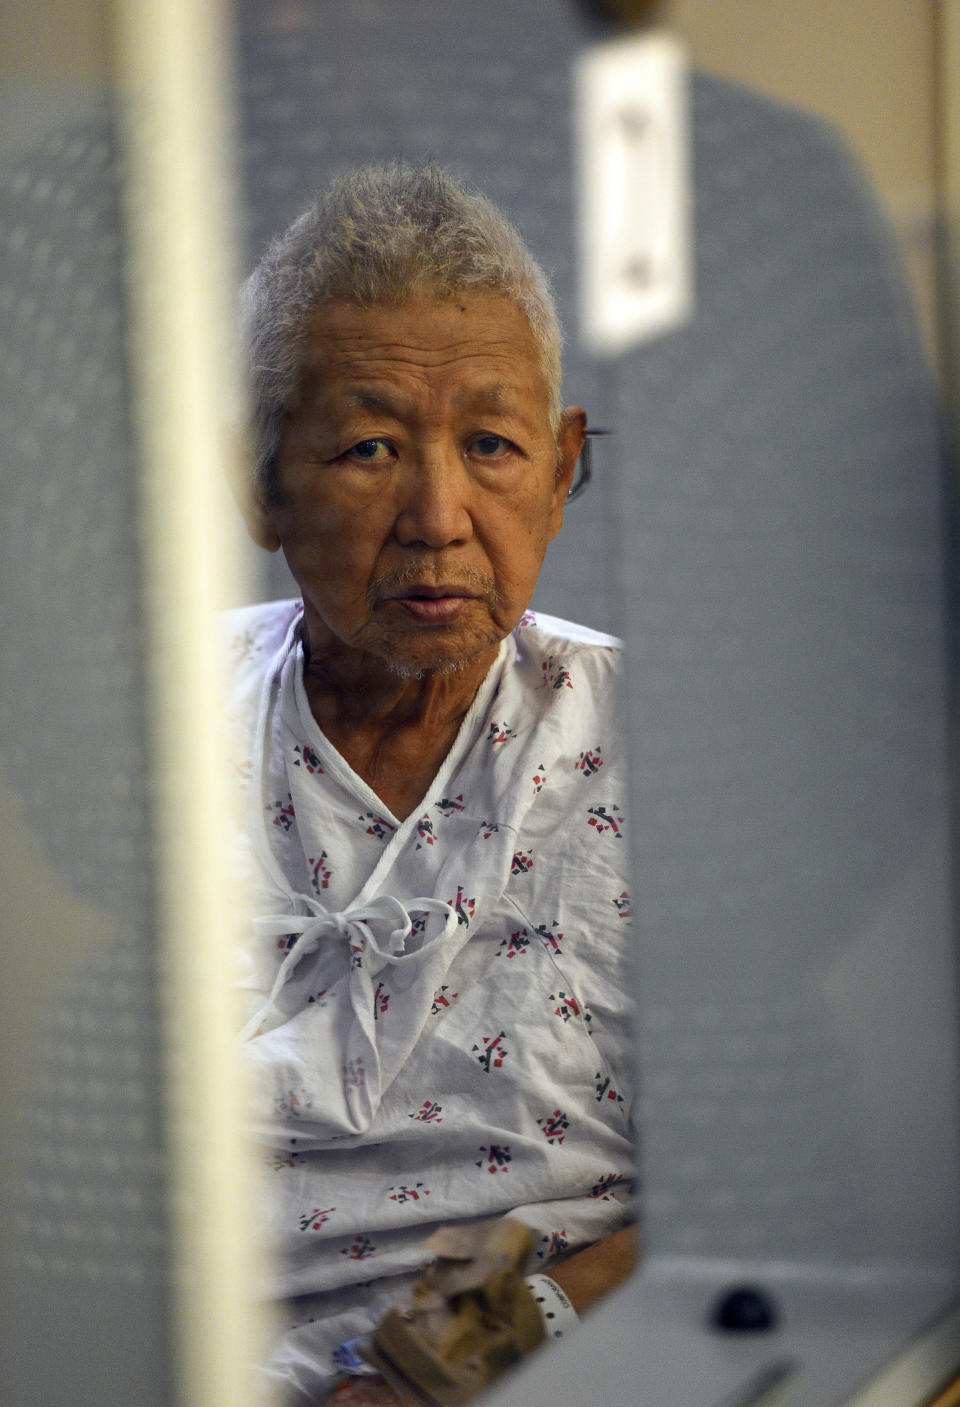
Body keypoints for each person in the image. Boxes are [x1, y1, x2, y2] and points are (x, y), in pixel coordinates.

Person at [227, 163, 635, 1405]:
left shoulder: (666, 750)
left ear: (561, 473)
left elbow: (798, 1185)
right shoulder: (145, 731)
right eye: (368, 447)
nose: (439, 515)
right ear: (260, 484)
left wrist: (477, 1344)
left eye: (493, 445)